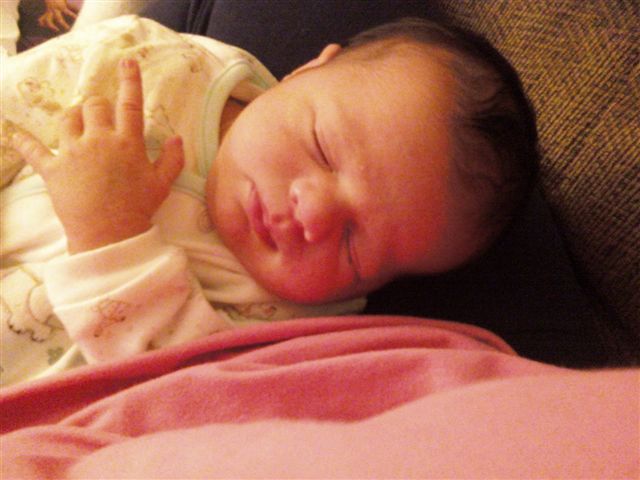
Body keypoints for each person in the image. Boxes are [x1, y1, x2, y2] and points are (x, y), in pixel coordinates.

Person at [0, 15, 538, 385]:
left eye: (354, 248)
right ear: (308, 70)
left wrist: (110, 236)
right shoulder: (158, 65)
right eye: (323, 148)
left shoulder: (291, 327)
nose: (314, 214)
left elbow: (180, 394)